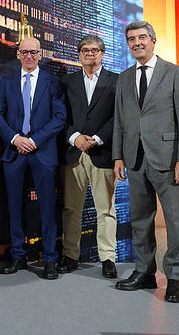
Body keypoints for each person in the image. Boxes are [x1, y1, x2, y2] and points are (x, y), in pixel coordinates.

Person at [112, 20, 179, 303]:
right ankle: (144, 271)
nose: (137, 43)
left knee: (175, 221)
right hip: (134, 159)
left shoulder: (175, 73)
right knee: (140, 219)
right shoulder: (124, 78)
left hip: (168, 160)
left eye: (142, 37)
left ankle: (174, 277)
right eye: (131, 39)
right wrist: (118, 156)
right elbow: (120, 120)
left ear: (153, 40)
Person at [0, 36, 66, 280]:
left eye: (33, 52)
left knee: (47, 208)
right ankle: (18, 255)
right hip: (13, 152)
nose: (29, 56)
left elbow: (59, 117)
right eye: (24, 52)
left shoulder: (53, 83)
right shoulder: (6, 81)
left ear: (40, 55)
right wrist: (15, 139)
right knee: (14, 207)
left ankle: (50, 259)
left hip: (42, 152)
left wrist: (34, 140)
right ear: (17, 54)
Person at [59, 34, 119, 278]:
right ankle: (70, 255)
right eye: (85, 50)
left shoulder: (116, 81)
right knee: (71, 209)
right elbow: (60, 116)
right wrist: (75, 138)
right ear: (79, 54)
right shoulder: (67, 82)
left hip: (102, 152)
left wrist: (97, 138)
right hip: (74, 153)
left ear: (102, 54)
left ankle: (108, 258)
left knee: (106, 210)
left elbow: (119, 116)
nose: (90, 53)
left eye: (95, 50)